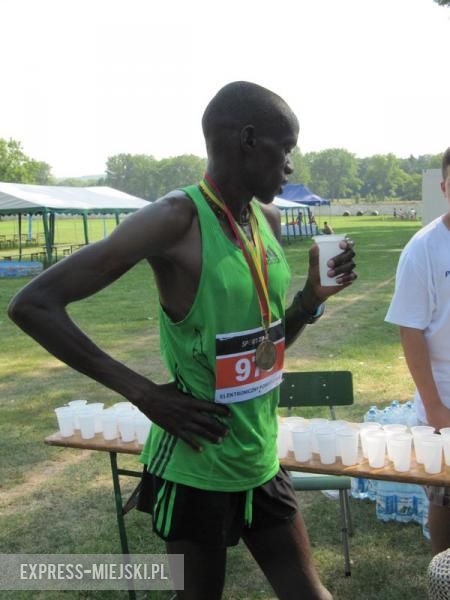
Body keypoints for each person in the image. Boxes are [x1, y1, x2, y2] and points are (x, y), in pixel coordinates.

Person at [8, 81, 357, 600]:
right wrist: (146, 395)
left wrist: (309, 299)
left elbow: (263, 350)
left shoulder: (268, 219)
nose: (289, 166)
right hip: (196, 464)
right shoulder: (175, 219)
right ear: (247, 139)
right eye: (286, 149)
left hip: (258, 456)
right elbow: (33, 304)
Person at [385, 147, 450, 556]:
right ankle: (444, 575)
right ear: (445, 188)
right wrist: (436, 408)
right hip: (444, 393)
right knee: (446, 494)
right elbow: (410, 334)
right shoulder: (424, 250)